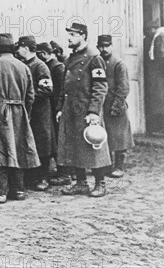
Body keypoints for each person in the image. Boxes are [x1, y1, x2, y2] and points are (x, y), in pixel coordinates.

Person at [0, 33, 39, 204]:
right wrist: (26, 114)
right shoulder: (24, 66)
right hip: (20, 111)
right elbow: (30, 96)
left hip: (0, 111)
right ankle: (18, 190)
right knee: (17, 149)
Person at [56, 22, 111, 198]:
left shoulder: (94, 57)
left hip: (87, 109)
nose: (69, 38)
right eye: (69, 34)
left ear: (82, 36)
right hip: (71, 108)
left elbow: (100, 86)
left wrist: (94, 111)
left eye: (72, 35)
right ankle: (81, 183)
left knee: (93, 144)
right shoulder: (71, 58)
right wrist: (60, 108)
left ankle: (100, 183)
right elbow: (65, 86)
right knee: (74, 146)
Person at [16, 36, 55, 191]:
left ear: (26, 48)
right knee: (30, 145)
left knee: (43, 144)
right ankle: (32, 177)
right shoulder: (24, 65)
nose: (18, 51)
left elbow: (47, 89)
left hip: (40, 113)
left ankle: (43, 177)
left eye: (20, 48)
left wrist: (29, 98)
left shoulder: (40, 66)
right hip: (29, 113)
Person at [97, 35, 134, 178]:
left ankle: (119, 166)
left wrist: (117, 106)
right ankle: (107, 165)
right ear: (98, 47)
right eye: (101, 46)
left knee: (120, 137)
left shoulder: (118, 64)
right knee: (106, 137)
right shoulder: (97, 62)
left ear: (111, 46)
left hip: (116, 104)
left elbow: (123, 87)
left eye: (107, 46)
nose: (104, 49)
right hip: (102, 105)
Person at [36, 42, 70, 186]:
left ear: (44, 53)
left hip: (56, 108)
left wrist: (58, 108)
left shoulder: (57, 67)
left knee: (59, 141)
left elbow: (61, 89)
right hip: (51, 108)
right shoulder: (52, 66)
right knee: (53, 141)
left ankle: (66, 173)